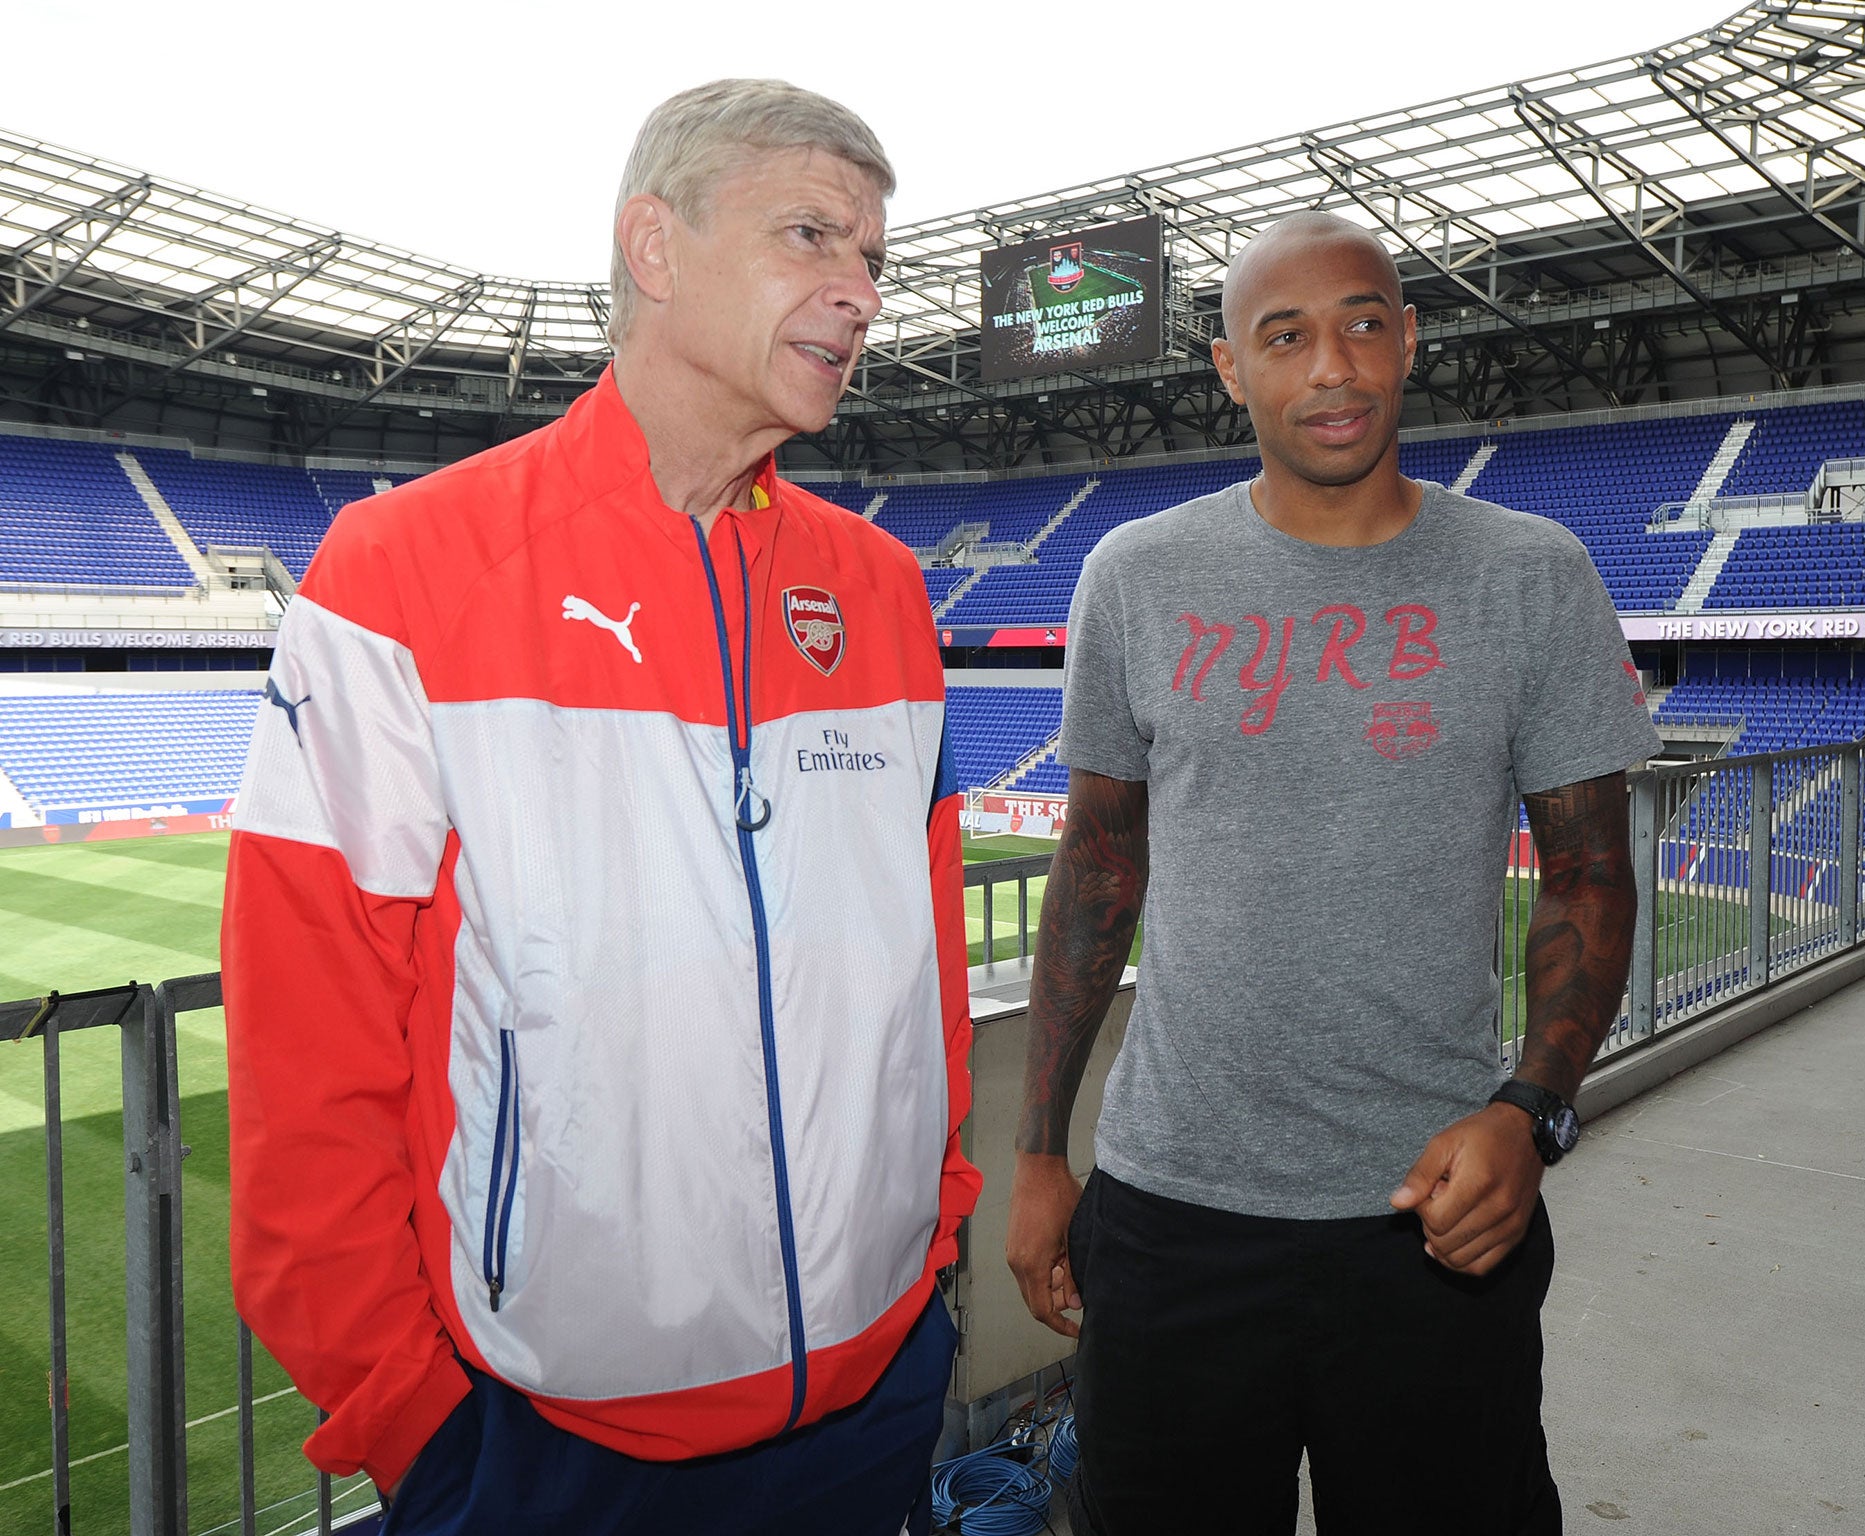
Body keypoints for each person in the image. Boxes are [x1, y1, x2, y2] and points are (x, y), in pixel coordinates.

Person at [223, 79, 980, 1536]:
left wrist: (927, 1244)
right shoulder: (403, 573)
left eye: (875, 258)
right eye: (812, 234)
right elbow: (305, 1058)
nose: (861, 294)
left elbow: (923, 979)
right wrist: (417, 1424)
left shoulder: (882, 593)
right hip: (545, 1455)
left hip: (876, 1397)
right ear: (654, 245)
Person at [1004, 211, 1661, 1534]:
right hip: (1170, 1213)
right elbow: (1097, 863)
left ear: (1410, 338)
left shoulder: (1532, 575)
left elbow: (1593, 872)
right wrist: (1038, 1156)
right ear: (1229, 369)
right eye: (1285, 336)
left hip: (1434, 1216)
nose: (1334, 368)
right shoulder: (1136, 577)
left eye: (1364, 322)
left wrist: (1531, 1110)